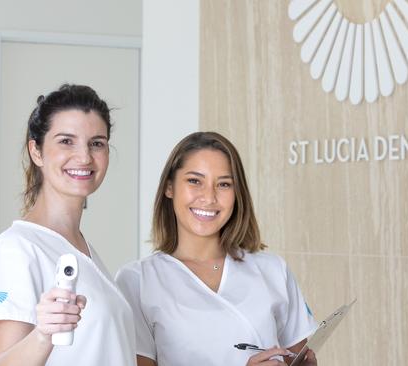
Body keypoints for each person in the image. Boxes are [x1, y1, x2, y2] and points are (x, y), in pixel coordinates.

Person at [116, 132, 318, 366]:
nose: (209, 197)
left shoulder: (273, 269)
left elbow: (297, 356)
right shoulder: (137, 282)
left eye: (223, 184)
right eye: (195, 181)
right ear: (169, 187)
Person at [0, 84, 136, 366]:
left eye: (96, 143)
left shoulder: (82, 249)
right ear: (36, 151)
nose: (84, 157)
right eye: (66, 141)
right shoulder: (15, 249)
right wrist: (44, 334)